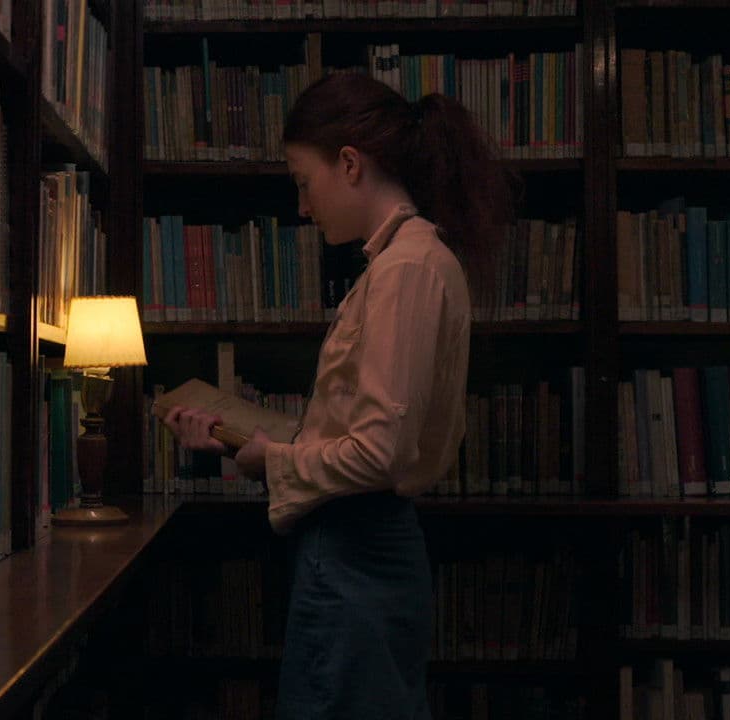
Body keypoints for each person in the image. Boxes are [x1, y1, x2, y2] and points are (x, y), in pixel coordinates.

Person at [161, 70, 513, 720]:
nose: (302, 206)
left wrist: (272, 459)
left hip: (357, 548)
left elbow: (377, 453)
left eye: (304, 181)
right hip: (358, 545)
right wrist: (246, 445)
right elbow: (361, 436)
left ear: (349, 164)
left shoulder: (406, 270)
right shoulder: (401, 263)